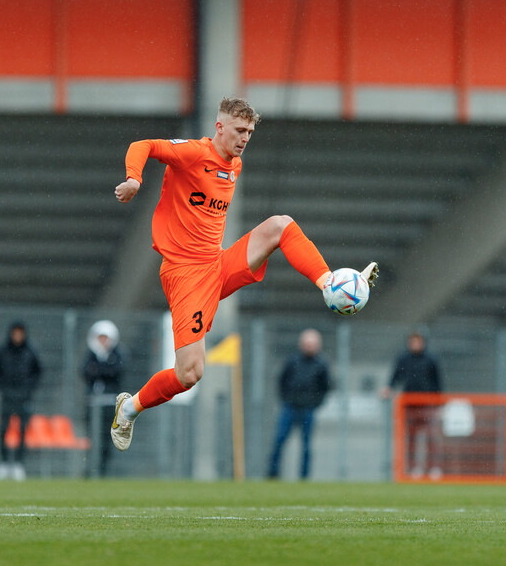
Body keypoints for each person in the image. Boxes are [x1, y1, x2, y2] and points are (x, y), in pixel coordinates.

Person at [108, 96, 377, 451]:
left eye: (250, 131)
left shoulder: (234, 166)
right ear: (219, 127)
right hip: (186, 273)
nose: (245, 137)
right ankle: (129, 407)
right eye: (239, 130)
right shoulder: (192, 153)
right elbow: (142, 145)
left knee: (281, 225)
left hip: (217, 264)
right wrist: (134, 179)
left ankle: (329, 282)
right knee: (190, 374)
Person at [267, 329, 331, 480]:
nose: (309, 347)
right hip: (289, 407)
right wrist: (286, 398)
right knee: (279, 440)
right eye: (307, 344)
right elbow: (281, 381)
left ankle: (304, 477)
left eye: (312, 344)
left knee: (306, 446)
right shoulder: (292, 361)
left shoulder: (322, 364)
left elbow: (326, 386)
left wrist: (316, 403)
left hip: (308, 409)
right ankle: (272, 474)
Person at [379, 331, 442, 477]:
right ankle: (414, 468)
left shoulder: (431, 359)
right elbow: (395, 376)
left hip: (428, 405)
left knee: (431, 438)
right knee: (411, 439)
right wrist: (389, 388)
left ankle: (433, 468)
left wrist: (439, 404)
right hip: (410, 405)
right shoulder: (403, 359)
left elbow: (438, 382)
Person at [0, 321, 42, 480]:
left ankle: (19, 464)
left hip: (23, 398)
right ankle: (4, 463)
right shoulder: (3, 351)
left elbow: (37, 373)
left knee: (22, 431)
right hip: (7, 398)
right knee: (3, 430)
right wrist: (3, 389)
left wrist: (28, 389)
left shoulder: (30, 352)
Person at [82, 319, 127, 477]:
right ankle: (91, 467)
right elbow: (85, 373)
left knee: (107, 437)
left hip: (109, 404)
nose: (103, 341)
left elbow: (116, 372)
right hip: (93, 404)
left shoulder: (117, 354)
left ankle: (102, 469)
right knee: (92, 436)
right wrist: (103, 369)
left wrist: (100, 370)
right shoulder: (91, 355)